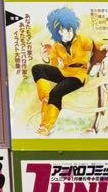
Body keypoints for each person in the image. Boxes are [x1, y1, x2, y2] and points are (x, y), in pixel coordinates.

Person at [31, 7, 92, 136]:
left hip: (79, 76)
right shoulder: (56, 46)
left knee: (56, 92)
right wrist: (46, 59)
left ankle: (46, 127)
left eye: (69, 30)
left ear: (73, 28)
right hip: (64, 72)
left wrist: (103, 47)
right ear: (57, 33)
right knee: (37, 68)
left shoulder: (81, 40)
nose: (66, 34)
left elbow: (97, 46)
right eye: (62, 31)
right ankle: (45, 98)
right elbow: (53, 65)